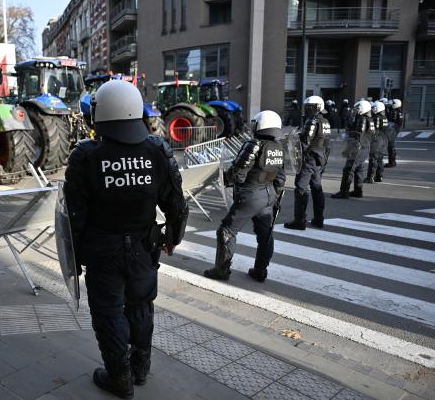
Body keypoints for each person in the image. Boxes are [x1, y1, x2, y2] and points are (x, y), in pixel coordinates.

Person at [64, 80, 189, 399]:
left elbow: (74, 214)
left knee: (109, 313)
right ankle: (141, 369)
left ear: (99, 115)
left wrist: (74, 258)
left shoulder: (86, 155)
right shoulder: (156, 150)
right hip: (145, 249)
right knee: (141, 307)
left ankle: (119, 377)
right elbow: (176, 202)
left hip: (102, 250)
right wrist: (173, 236)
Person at [204, 110, 286, 283]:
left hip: (251, 194)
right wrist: (275, 199)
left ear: (261, 125)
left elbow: (238, 174)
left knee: (226, 230)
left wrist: (227, 177)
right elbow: (280, 178)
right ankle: (260, 270)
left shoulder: (254, 144)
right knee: (265, 234)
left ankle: (222, 270)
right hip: (269, 194)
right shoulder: (279, 147)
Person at [284, 96, 331, 230]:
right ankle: (318, 219)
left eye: (310, 107)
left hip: (309, 158)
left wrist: (296, 149)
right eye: (307, 106)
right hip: (319, 158)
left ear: (318, 107)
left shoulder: (312, 121)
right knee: (317, 188)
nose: (308, 109)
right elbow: (325, 142)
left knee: (301, 188)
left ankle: (299, 221)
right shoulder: (325, 121)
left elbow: (305, 142)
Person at [332, 100, 375, 199]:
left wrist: (350, 129)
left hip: (358, 147)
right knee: (359, 169)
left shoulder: (362, 119)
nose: (355, 111)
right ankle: (358, 191)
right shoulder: (370, 119)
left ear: (363, 108)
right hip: (365, 147)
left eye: (357, 108)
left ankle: (344, 192)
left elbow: (358, 133)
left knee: (349, 169)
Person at [364, 101, 388, 183]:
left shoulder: (376, 117)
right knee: (380, 159)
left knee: (373, 159)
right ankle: (379, 176)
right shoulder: (384, 117)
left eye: (374, 107)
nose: (373, 109)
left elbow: (374, 130)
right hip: (383, 139)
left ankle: (370, 177)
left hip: (376, 139)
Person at [385, 99, 403, 168]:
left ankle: (392, 162)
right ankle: (392, 162)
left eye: (393, 103)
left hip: (392, 130)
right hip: (395, 130)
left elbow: (390, 121)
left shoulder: (394, 112)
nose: (391, 104)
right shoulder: (399, 111)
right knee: (391, 146)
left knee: (391, 146)